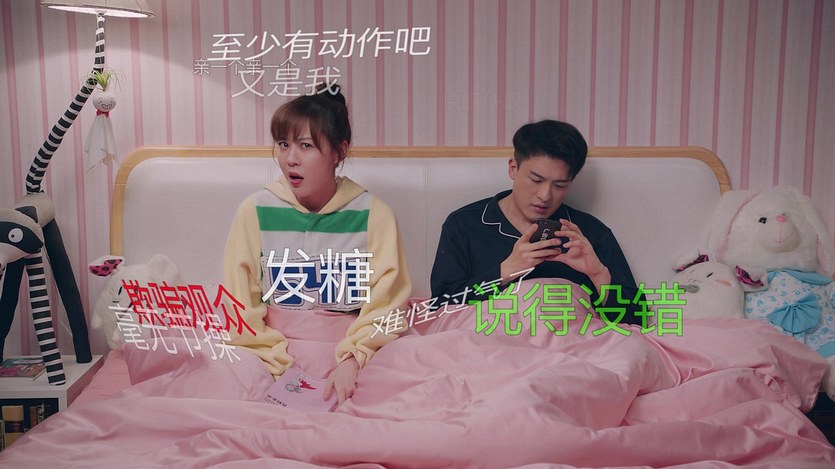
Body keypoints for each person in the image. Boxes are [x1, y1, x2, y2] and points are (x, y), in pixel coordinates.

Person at [222, 83, 412, 404]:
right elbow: (239, 305)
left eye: (306, 146)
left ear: (339, 152)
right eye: (283, 144)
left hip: (354, 354)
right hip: (265, 355)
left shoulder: (375, 215)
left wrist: (353, 360)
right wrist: (278, 366)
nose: (290, 159)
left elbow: (387, 306)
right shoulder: (254, 210)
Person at [430, 119, 641, 325]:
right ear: (513, 168)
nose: (545, 195)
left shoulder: (589, 233)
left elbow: (637, 321)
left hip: (571, 341)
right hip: (490, 340)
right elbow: (439, 307)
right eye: (536, 180)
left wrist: (598, 274)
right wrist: (504, 272)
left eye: (559, 185)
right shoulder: (465, 224)